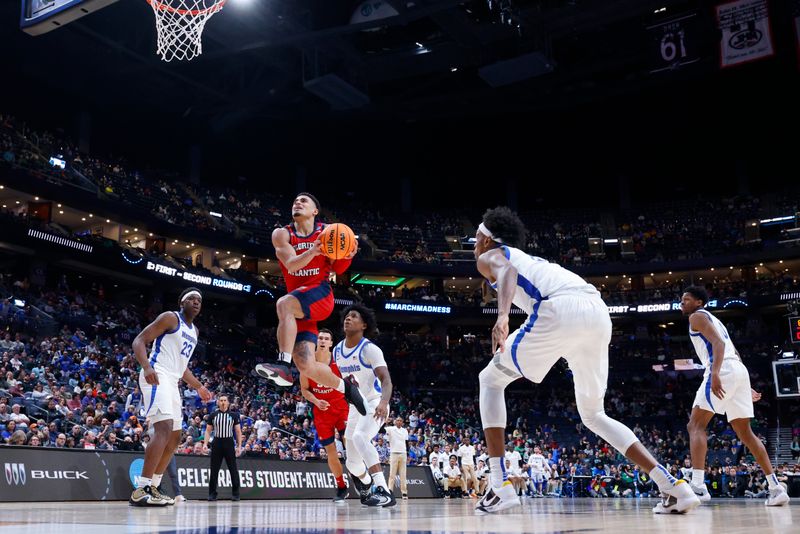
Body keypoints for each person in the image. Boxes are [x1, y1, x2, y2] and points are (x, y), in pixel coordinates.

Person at [472, 207, 700, 515]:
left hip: (559, 309)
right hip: (596, 311)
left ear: (487, 239)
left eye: (476, 238)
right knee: (594, 415)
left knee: (489, 380)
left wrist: (502, 317)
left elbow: (508, 272)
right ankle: (673, 486)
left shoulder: (491, 256)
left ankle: (499, 485)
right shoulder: (535, 262)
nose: (474, 244)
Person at [255, 193, 365, 415]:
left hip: (320, 295)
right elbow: (292, 265)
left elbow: (339, 270)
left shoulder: (329, 232)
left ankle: (283, 365)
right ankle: (347, 389)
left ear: (315, 211)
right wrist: (314, 250)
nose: (297, 202)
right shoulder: (282, 234)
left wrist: (348, 255)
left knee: (283, 304)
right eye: (295, 200)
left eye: (304, 201)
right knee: (306, 365)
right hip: (299, 304)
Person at [680, 286, 790, 506]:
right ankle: (776, 488)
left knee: (695, 426)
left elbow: (718, 344)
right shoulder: (715, 320)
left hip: (722, 369)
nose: (682, 303)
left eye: (686, 299)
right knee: (746, 434)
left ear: (699, 302)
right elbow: (733, 351)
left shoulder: (696, 317)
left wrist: (715, 373)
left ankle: (699, 486)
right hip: (737, 369)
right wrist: (742, 385)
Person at [130, 287, 212, 507]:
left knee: (175, 438)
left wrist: (199, 387)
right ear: (181, 302)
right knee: (163, 427)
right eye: (192, 299)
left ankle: (153, 486)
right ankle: (142, 488)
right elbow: (139, 340)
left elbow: (182, 368)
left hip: (173, 380)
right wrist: (146, 367)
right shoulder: (170, 317)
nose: (196, 302)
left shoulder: (194, 332)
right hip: (157, 374)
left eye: (199, 301)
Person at [334, 304, 396, 507]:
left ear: (364, 325)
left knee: (361, 437)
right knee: (352, 463)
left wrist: (384, 403)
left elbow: (386, 380)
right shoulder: (337, 350)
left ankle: (383, 490)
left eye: (353, 316)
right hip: (356, 405)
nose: (348, 319)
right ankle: (368, 484)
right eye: (347, 316)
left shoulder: (370, 348)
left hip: (375, 401)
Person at [299, 328, 350, 502]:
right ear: (316, 340)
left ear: (330, 343)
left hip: (341, 407)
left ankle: (360, 478)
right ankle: (341, 487)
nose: (322, 340)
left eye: (326, 338)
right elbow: (304, 390)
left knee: (349, 442)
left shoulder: (339, 361)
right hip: (321, 412)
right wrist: (315, 400)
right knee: (331, 451)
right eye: (320, 337)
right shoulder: (306, 363)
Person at [203, 395, 243, 501]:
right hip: (217, 442)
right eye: (221, 400)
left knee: (233, 469)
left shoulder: (234, 415)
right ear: (218, 402)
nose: (223, 402)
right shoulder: (213, 415)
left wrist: (239, 446)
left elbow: (238, 431)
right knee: (214, 469)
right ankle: (212, 494)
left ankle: (236, 494)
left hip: (229, 442)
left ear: (228, 402)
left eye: (225, 400)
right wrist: (205, 444)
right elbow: (208, 431)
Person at [385, 416, 409, 499]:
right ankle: (390, 491)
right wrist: (386, 421)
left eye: (400, 421)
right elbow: (382, 430)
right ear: (395, 422)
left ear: (402, 422)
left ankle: (404, 493)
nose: (399, 422)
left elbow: (406, 442)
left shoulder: (405, 430)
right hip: (394, 453)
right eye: (397, 420)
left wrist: (407, 453)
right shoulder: (390, 429)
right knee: (392, 474)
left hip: (403, 453)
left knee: (403, 474)